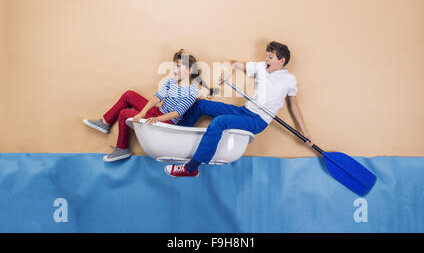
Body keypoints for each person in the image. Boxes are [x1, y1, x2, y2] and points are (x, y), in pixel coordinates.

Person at [164, 41, 313, 177]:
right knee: (200, 105)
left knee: (219, 122)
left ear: (282, 61)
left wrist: (305, 132)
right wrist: (230, 69)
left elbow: (293, 106)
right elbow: (233, 63)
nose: (266, 59)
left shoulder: (290, 80)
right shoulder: (261, 67)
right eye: (267, 56)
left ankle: (191, 168)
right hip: (244, 111)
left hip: (257, 120)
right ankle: (177, 135)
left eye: (271, 57)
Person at [83, 49, 212, 162]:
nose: (174, 69)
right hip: (157, 112)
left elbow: (177, 113)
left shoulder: (192, 91)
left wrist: (157, 119)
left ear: (189, 70)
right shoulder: (172, 81)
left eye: (178, 66)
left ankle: (122, 148)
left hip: (168, 121)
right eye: (174, 66)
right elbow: (157, 98)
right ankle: (105, 122)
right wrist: (143, 113)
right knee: (129, 94)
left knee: (124, 113)